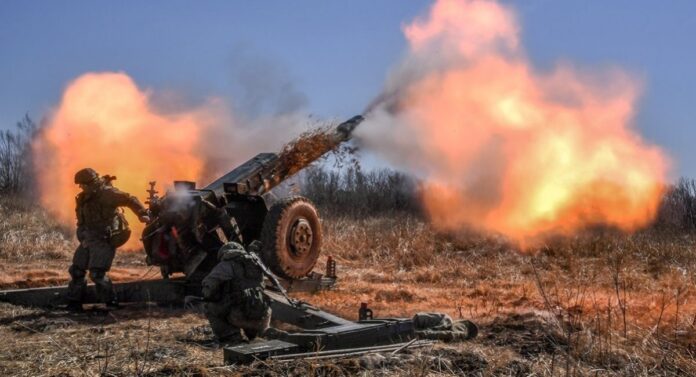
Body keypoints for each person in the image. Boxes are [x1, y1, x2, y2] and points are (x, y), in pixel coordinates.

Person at [66, 168, 150, 311]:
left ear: (91, 183)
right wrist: (82, 237)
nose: (80, 187)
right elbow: (81, 223)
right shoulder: (82, 199)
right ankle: (74, 303)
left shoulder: (107, 194)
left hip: (104, 238)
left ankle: (110, 302)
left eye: (83, 184)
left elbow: (130, 199)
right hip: (88, 239)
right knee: (77, 271)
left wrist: (142, 213)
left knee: (97, 274)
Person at [201, 241, 271, 344]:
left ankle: (231, 337)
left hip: (239, 316)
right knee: (250, 302)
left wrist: (215, 296)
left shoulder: (226, 265)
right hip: (263, 316)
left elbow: (209, 287)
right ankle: (256, 335)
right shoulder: (256, 263)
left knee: (208, 306)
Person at [412, 312, 478, 342]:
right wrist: (424, 334)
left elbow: (449, 334)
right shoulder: (447, 320)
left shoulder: (446, 318)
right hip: (417, 324)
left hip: (416, 322)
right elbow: (449, 334)